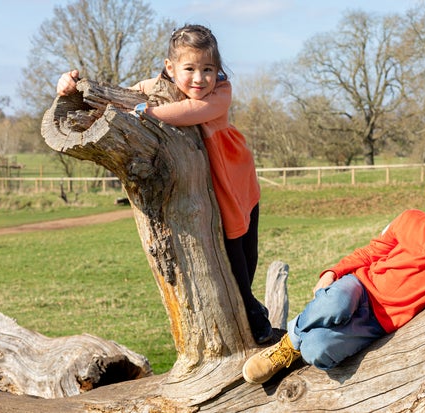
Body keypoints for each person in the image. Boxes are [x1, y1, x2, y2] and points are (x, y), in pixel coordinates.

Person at [56, 24, 273, 345]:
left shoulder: (220, 92)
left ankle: (249, 304)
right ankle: (250, 313)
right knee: (232, 252)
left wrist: (148, 111)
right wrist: (71, 89)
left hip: (239, 177)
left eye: (208, 69)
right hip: (216, 191)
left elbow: (194, 109)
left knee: (248, 250)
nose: (200, 78)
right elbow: (119, 95)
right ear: (171, 67)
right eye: (190, 69)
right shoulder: (158, 87)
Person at [242, 149, 425, 384]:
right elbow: (371, 252)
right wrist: (334, 271)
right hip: (361, 287)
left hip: (382, 322)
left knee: (318, 350)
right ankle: (286, 347)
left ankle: (300, 345)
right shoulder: (409, 219)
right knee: (334, 304)